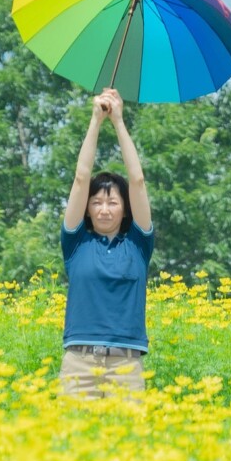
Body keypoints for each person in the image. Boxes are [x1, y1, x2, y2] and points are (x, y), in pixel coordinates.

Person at [58, 87, 155, 400]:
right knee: (71, 447)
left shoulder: (138, 246)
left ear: (125, 208)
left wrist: (119, 122)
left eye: (112, 202)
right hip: (78, 364)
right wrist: (95, 121)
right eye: (96, 202)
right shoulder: (76, 243)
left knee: (127, 448)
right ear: (86, 207)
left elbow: (137, 181)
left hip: (126, 366)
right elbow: (81, 178)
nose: (103, 209)